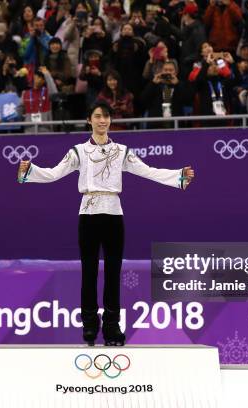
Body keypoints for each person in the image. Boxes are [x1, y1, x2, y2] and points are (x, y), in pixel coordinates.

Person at [17, 101, 194, 346]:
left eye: (106, 116)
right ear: (89, 120)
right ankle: (89, 327)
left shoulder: (121, 151)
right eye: (98, 116)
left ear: (110, 120)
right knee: (88, 273)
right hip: (88, 215)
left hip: (113, 215)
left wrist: (178, 177)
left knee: (113, 274)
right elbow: (54, 173)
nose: (103, 120)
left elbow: (148, 171)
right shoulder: (78, 151)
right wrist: (30, 171)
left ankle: (112, 329)